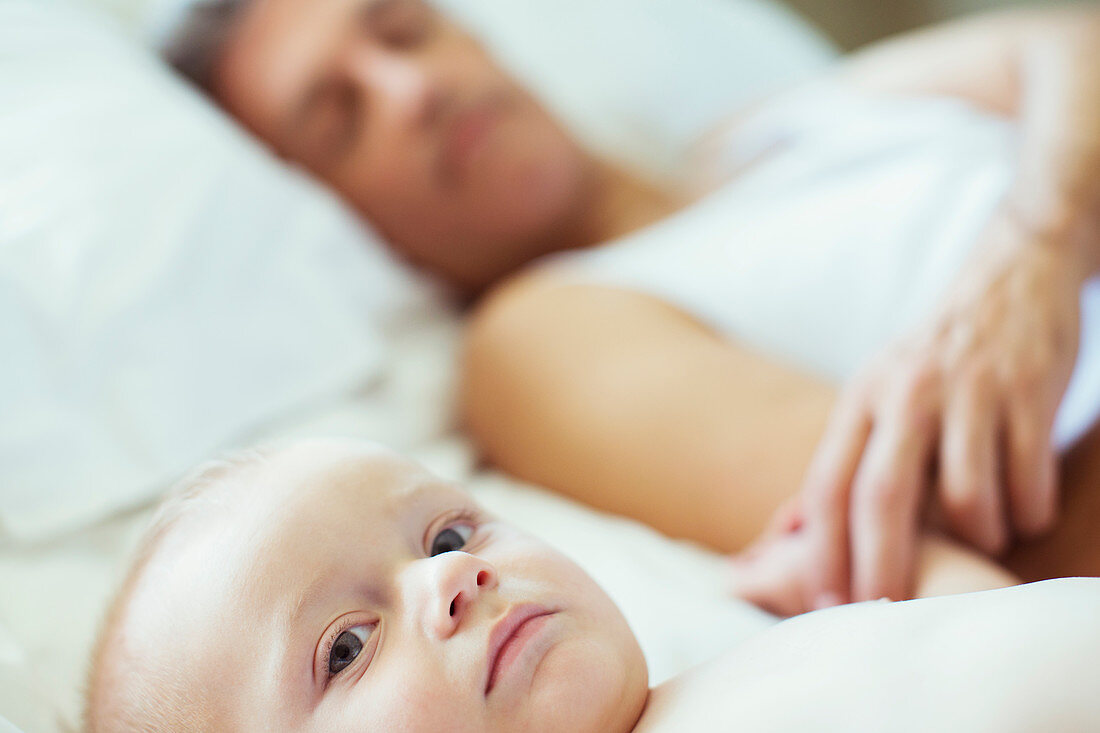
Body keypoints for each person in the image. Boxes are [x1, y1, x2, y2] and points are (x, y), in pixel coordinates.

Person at [162, 0, 1100, 613]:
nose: (413, 92)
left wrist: (1042, 242)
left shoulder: (771, 126)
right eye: (341, 118)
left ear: (474, 34)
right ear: (331, 212)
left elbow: (1066, 47)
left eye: (402, 31)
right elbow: (914, 523)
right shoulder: (545, 332)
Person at [82, 438, 1100, 732]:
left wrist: (893, 574)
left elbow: (989, 640)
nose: (448, 576)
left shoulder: (723, 668)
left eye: (444, 530)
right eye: (345, 644)